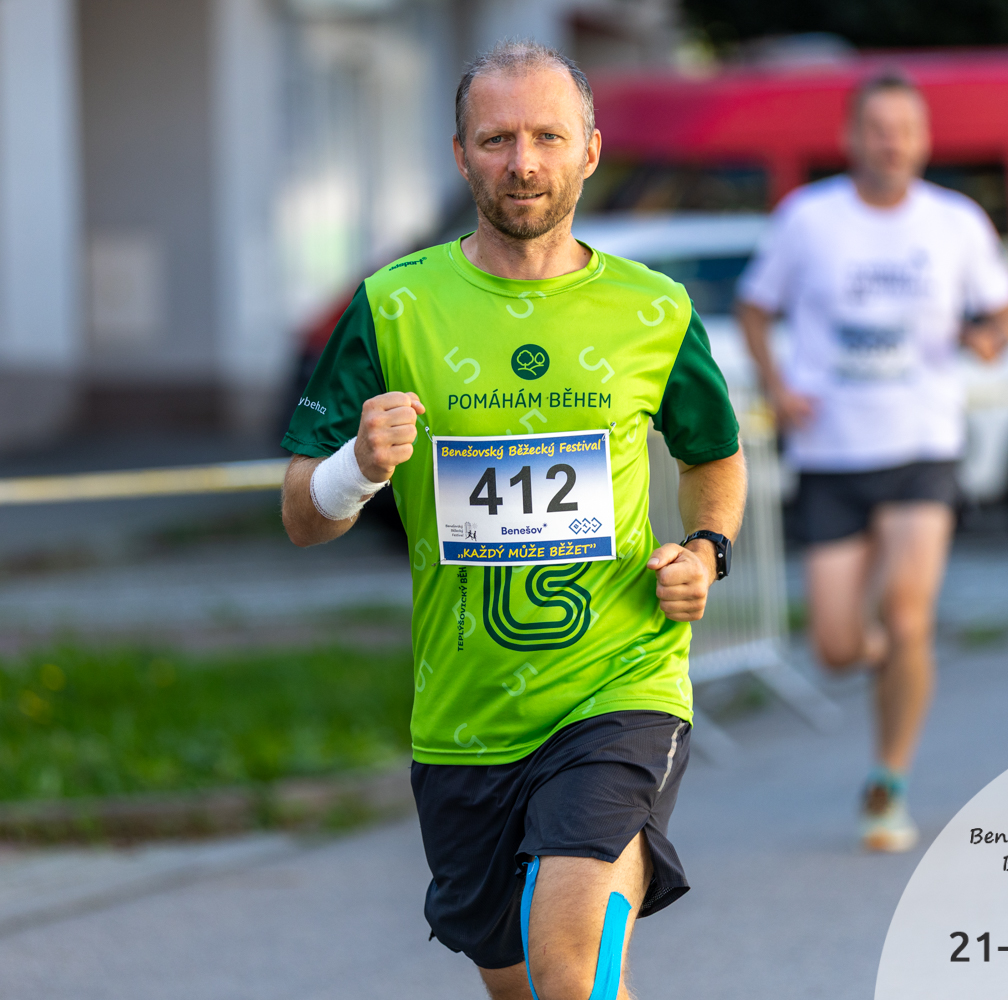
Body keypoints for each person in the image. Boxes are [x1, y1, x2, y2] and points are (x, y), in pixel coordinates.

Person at [281, 39, 746, 1000]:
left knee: (569, 970)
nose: (522, 162)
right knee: (519, 984)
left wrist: (706, 549)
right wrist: (356, 469)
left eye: (547, 137)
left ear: (591, 150)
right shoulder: (392, 306)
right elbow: (300, 516)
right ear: (461, 155)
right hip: (465, 717)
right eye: (496, 139)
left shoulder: (654, 311)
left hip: (619, 684)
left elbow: (713, 455)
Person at [735, 70, 1008, 853]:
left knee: (906, 614)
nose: (892, 143)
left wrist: (992, 337)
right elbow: (755, 308)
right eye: (877, 128)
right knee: (836, 646)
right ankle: (890, 658)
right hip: (832, 452)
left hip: (922, 445)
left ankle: (888, 781)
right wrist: (778, 386)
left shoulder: (956, 222)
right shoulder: (808, 219)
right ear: (849, 137)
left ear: (924, 141)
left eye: (906, 129)